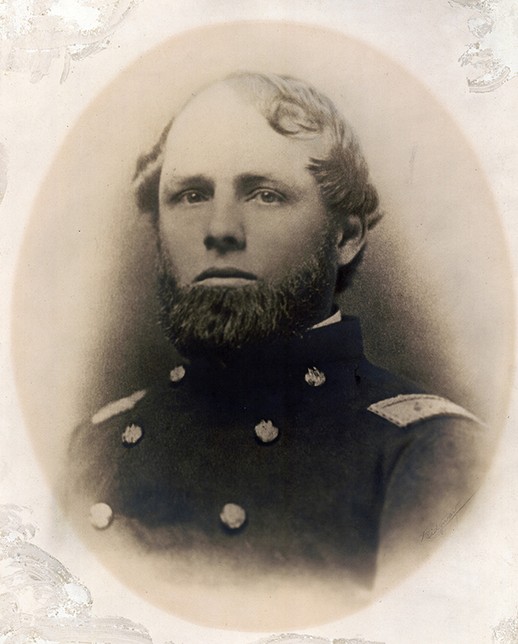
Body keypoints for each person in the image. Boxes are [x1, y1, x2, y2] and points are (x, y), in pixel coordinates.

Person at [66, 72, 488, 602]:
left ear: (345, 236)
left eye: (265, 195)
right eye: (191, 195)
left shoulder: (431, 453)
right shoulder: (94, 447)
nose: (220, 228)